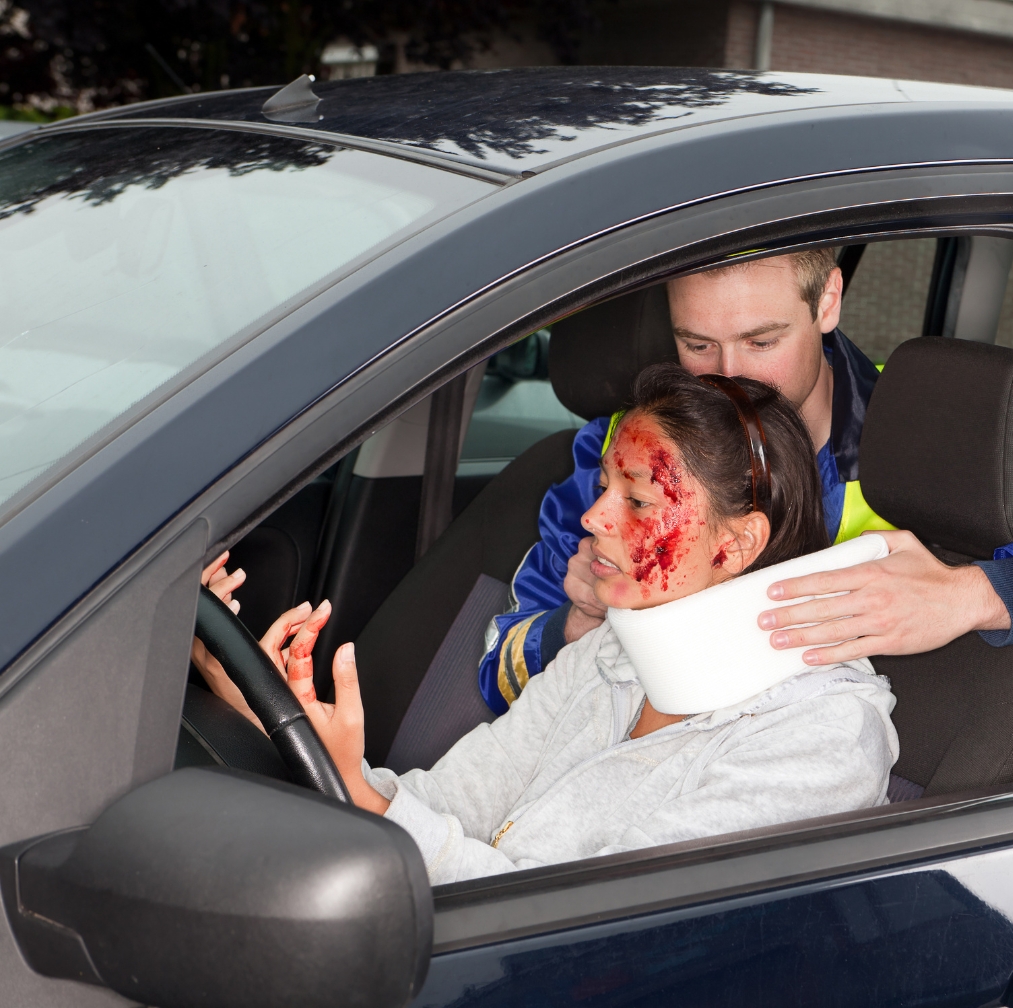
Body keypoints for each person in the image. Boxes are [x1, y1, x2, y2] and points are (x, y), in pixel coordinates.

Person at [194, 366, 898, 884]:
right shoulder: (611, 653)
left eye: (638, 501)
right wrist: (266, 712)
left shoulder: (821, 739)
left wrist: (365, 793)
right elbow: (447, 806)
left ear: (735, 545)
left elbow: (578, 925)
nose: (592, 520)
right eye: (601, 491)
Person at [480, 249, 1013, 714]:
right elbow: (498, 675)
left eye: (760, 342)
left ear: (827, 301)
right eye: (697, 345)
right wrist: (578, 622)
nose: (726, 380)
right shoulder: (617, 460)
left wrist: (980, 594)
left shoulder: (938, 451)